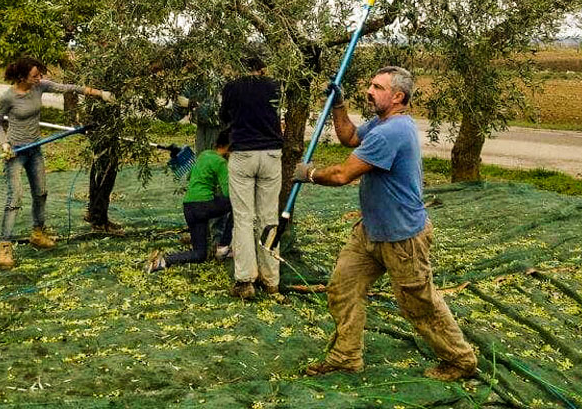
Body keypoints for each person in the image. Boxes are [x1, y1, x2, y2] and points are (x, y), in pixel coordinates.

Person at [291, 66, 478, 382]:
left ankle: (460, 360)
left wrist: (308, 174)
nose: (369, 91)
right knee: (343, 288)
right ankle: (345, 357)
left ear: (397, 96)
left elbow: (342, 175)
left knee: (418, 304)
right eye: (370, 86)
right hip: (370, 231)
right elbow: (349, 136)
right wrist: (339, 104)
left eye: (377, 87)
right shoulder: (381, 123)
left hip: (401, 237)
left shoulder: (391, 133)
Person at [0, 56, 113, 270]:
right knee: (15, 198)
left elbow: (68, 87)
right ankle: (4, 246)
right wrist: (4, 145)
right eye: (35, 76)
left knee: (40, 193)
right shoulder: (8, 97)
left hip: (34, 150)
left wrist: (99, 93)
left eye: (40, 74)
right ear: (22, 77)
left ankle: (37, 233)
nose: (40, 78)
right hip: (16, 154)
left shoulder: (40, 87)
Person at [220, 53, 284, 298]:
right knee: (269, 218)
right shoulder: (274, 86)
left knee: (243, 217)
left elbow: (224, 118)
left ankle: (245, 280)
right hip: (271, 154)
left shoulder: (232, 88)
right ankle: (271, 280)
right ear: (262, 67)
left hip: (243, 155)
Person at [145, 129, 234, 272]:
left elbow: (189, 177)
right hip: (202, 206)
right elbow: (228, 192)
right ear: (230, 147)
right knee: (237, 204)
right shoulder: (221, 162)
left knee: (199, 254)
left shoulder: (204, 154)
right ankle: (223, 247)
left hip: (189, 207)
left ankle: (163, 262)